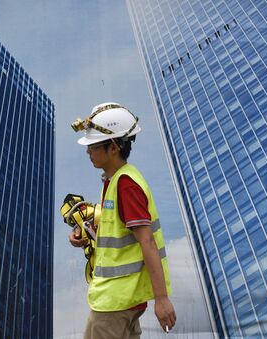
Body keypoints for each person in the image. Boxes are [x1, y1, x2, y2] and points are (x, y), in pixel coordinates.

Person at [69, 102, 176, 338]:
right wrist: (86, 233)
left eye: (94, 146)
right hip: (121, 301)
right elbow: (119, 233)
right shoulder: (116, 181)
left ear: (114, 148)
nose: (88, 152)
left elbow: (147, 242)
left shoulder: (126, 185)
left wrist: (161, 299)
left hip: (114, 304)